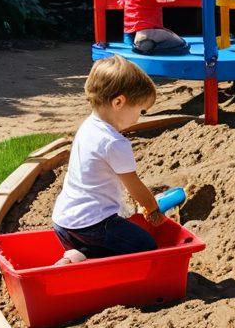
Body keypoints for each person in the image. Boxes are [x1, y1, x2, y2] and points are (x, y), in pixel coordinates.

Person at [52, 56, 164, 264]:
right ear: (119, 102)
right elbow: (134, 185)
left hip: (63, 223)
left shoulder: (87, 126)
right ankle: (82, 256)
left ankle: (79, 253)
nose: (139, 118)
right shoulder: (114, 142)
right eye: (140, 110)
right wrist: (152, 208)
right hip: (92, 225)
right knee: (145, 245)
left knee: (113, 236)